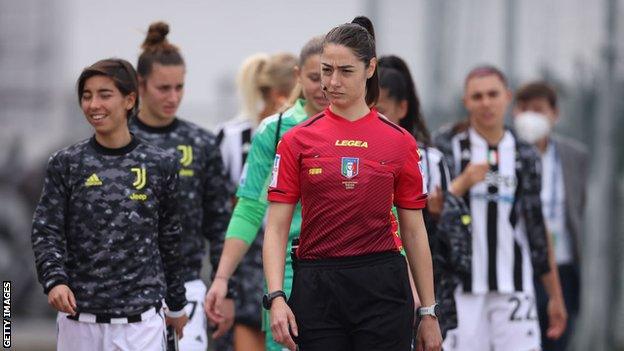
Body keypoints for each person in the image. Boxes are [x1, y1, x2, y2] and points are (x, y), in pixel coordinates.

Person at [264, 17, 442, 351]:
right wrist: (276, 297)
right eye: (326, 70)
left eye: (346, 71)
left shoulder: (399, 142)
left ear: (370, 68)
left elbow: (414, 230)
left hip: (381, 286)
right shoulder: (295, 141)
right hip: (317, 287)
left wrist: (429, 312)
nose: (332, 82)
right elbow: (275, 228)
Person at [31, 58, 188, 351]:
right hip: (79, 324)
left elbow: (170, 239)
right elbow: (46, 230)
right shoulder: (66, 163)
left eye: (105, 94)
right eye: (87, 95)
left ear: (129, 100)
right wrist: (54, 281)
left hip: (141, 327)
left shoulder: (160, 164)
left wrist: (177, 306)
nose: (93, 104)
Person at [205, 35, 328, 351]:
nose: (325, 86)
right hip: (289, 276)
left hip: (356, 278)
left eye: (333, 75)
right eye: (315, 77)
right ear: (299, 76)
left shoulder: (366, 130)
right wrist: (221, 279)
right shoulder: (274, 131)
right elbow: (249, 208)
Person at [434, 65, 568, 350]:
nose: (485, 103)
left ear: (507, 97)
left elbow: (535, 227)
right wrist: (462, 183)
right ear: (466, 102)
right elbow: (430, 213)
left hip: (513, 285)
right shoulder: (446, 146)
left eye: (492, 94)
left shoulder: (525, 154)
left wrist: (554, 295)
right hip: (461, 287)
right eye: (477, 96)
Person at [128, 21, 233, 351]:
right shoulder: (119, 141)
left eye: (180, 87)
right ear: (141, 86)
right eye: (164, 88)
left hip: (187, 284)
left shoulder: (201, 143)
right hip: (126, 287)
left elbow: (219, 223)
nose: (173, 97)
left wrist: (223, 287)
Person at [214, 51, 297, 351]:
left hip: (291, 259)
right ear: (279, 96)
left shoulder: (306, 132)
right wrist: (222, 277)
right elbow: (228, 210)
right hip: (246, 260)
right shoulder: (233, 136)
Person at [377, 55, 463, 338]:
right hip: (374, 281)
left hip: (426, 286)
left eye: (380, 109)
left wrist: (437, 215)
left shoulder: (430, 160)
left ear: (402, 108)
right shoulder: (352, 152)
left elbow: (453, 233)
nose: (372, 116)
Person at [513, 81, 588, 351]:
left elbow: (578, 205)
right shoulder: (506, 153)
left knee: (557, 339)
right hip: (519, 267)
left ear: (554, 114)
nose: (530, 116)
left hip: (564, 264)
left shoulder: (574, 156)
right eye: (523, 109)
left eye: (538, 109)